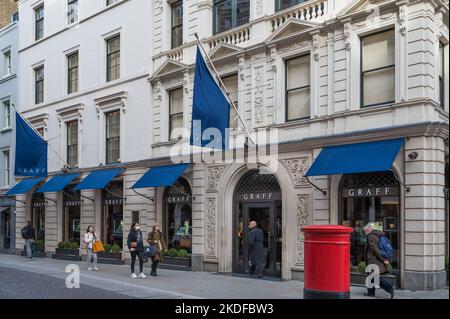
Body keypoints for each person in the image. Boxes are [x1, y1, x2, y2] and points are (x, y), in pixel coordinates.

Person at [364, 223, 395, 299]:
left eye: (365, 230)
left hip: (373, 260)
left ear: (368, 229)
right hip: (375, 260)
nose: (364, 231)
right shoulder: (378, 234)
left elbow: (375, 249)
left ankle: (389, 288)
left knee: (374, 277)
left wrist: (383, 259)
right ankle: (371, 292)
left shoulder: (371, 236)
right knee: (370, 277)